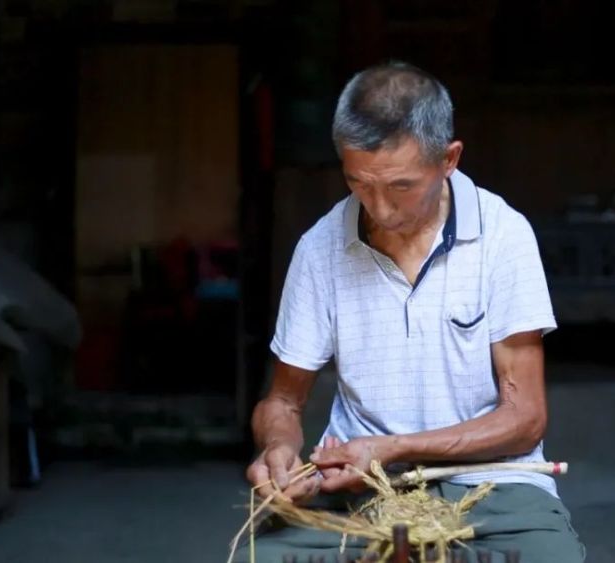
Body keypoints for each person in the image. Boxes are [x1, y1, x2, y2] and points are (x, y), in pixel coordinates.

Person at [243, 61, 585, 562]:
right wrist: (277, 450)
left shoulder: (503, 235)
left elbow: (525, 418)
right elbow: (283, 403)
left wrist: (390, 448)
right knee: (264, 557)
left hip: (494, 483)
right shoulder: (319, 249)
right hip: (361, 485)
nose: (379, 208)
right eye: (360, 184)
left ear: (449, 159)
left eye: (401, 186)